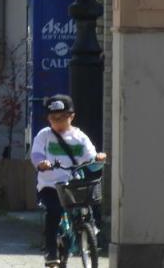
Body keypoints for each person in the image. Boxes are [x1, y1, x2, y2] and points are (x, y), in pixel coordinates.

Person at [31, 94, 106, 267]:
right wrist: (42, 163)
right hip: (50, 185)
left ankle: (89, 234)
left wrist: (99, 159)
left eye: (61, 118)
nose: (57, 122)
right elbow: (36, 154)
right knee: (53, 211)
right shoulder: (44, 135)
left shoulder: (80, 137)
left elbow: (92, 161)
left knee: (88, 205)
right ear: (48, 118)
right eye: (53, 118)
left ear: (71, 116)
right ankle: (51, 250)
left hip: (74, 184)